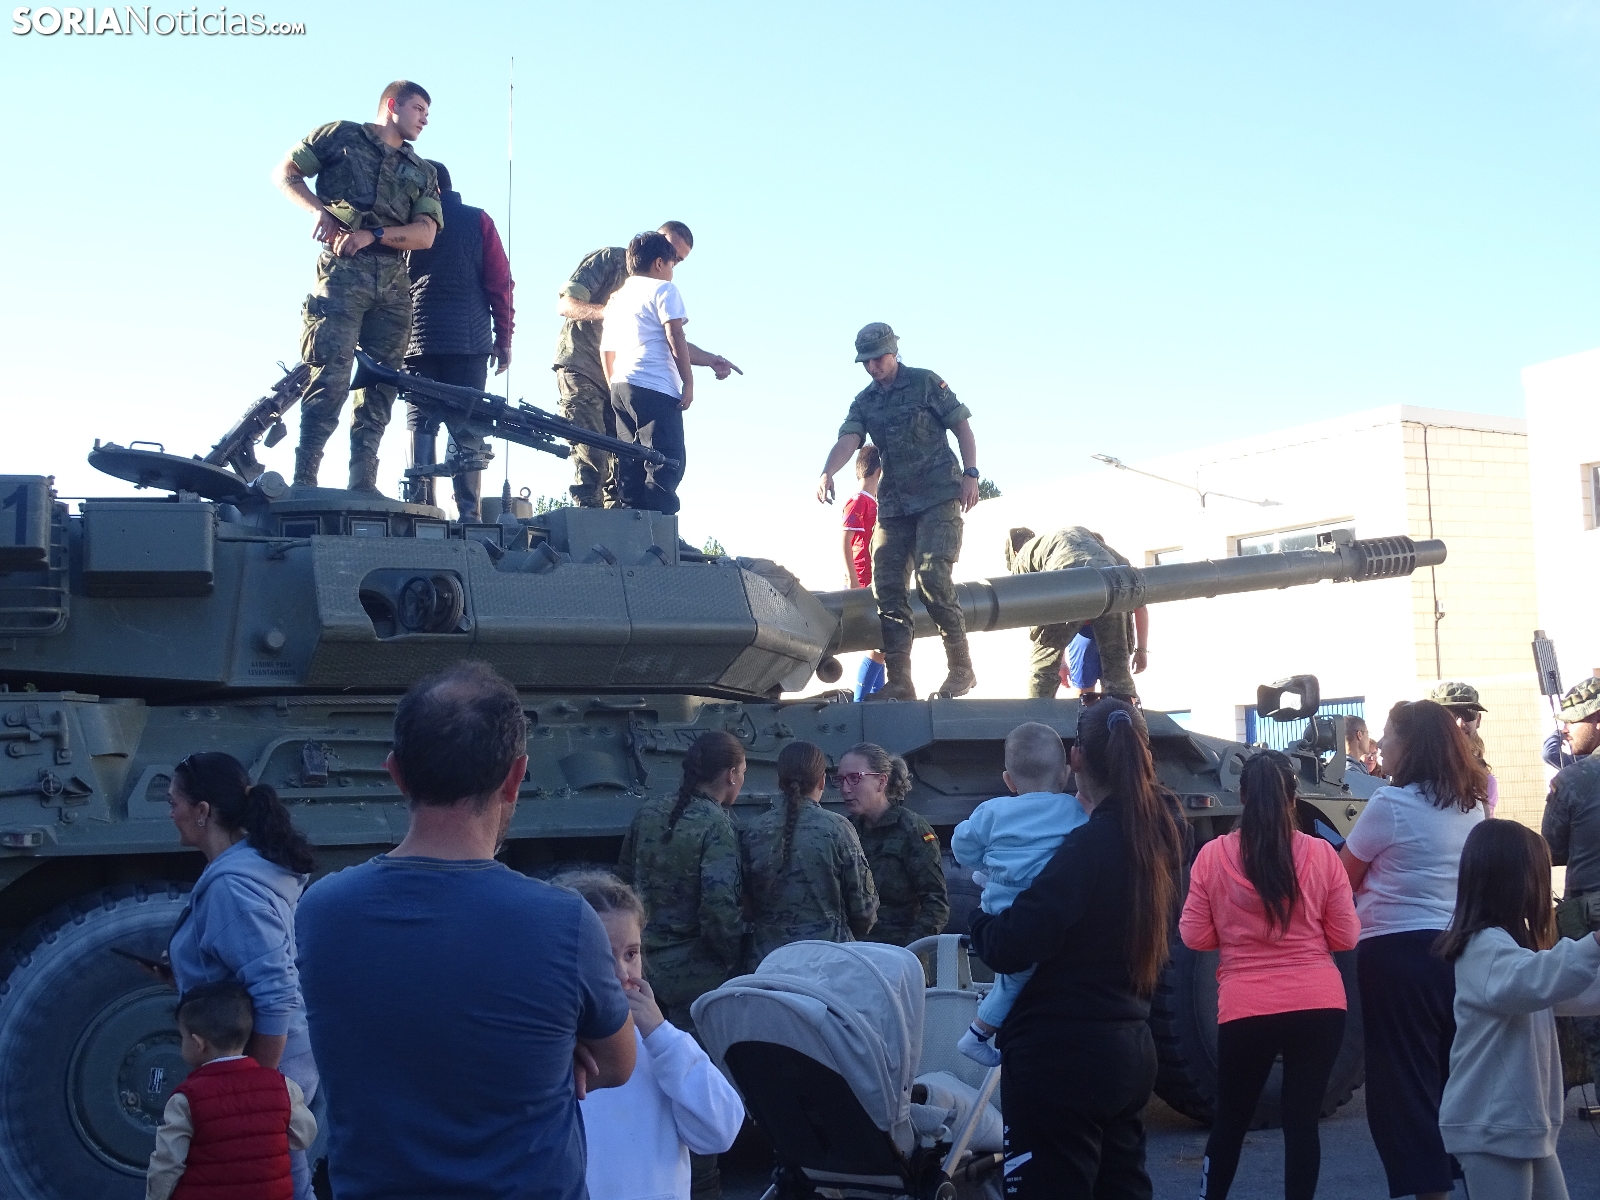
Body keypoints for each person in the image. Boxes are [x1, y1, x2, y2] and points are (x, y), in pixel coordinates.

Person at [295, 662, 635, 1200]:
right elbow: (617, 1064)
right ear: (516, 777)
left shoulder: (321, 911)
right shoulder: (564, 922)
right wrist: (552, 1050)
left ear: (396, 773)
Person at [968, 700, 1186, 1198]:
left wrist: (982, 915)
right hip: (1130, 1047)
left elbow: (1011, 945)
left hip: (1058, 1057)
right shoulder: (1161, 836)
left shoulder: (1088, 847)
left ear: (1077, 759)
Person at [1178, 750, 1361, 1200]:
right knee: (1302, 1125)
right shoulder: (1321, 855)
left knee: (1230, 1123)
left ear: (1241, 796)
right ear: (1294, 798)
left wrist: (1235, 936)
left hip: (1245, 1006)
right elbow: (1346, 937)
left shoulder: (1212, 857)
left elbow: (1194, 936)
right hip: (1319, 1004)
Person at [1339, 699, 1486, 1200]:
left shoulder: (1390, 804)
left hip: (1395, 955)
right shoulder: (1473, 807)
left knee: (1404, 1084)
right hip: (1456, 952)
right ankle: (1464, 1177)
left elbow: (1343, 875)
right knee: (1449, 1075)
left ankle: (1429, 1191)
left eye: (1389, 734)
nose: (1381, 744)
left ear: (1412, 744)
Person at [274, 80, 443, 492]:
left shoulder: (423, 170)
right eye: (418, 109)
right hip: (342, 274)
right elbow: (286, 173)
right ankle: (305, 480)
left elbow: (425, 234)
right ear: (392, 105)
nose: (424, 119)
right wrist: (319, 211)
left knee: (380, 386)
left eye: (427, 113)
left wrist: (375, 234)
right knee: (328, 375)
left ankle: (363, 482)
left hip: (393, 284)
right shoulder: (341, 136)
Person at [163, 752, 319, 1200]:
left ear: (202, 811)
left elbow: (275, 990)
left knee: (282, 1187)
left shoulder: (231, 886)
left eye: (174, 802)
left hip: (267, 1058)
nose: (170, 813)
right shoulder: (252, 867)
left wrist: (256, 1089)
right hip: (276, 1056)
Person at [815, 323, 982, 701]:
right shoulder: (865, 401)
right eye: (866, 362)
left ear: (894, 352)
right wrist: (827, 471)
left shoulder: (925, 382)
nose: (872, 367)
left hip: (938, 495)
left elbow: (962, 426)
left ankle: (961, 668)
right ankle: (900, 681)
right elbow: (849, 439)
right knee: (887, 587)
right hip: (895, 506)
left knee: (932, 577)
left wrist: (971, 473)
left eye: (878, 358)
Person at [1436, 820, 1600, 1200]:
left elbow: (1566, 992)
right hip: (1493, 1125)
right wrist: (1594, 942)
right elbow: (1536, 981)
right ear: (1516, 882)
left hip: (1517, 1125)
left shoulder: (1507, 947)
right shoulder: (1484, 947)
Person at [557, 872, 745, 1200]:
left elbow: (720, 1132)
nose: (622, 973)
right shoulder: (546, 1047)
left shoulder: (660, 1045)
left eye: (631, 954)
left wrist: (662, 1037)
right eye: (603, 957)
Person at [553, 222, 739, 507]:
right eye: (671, 254)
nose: (673, 261)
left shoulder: (649, 288)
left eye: (679, 259)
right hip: (585, 370)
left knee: (625, 465)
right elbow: (565, 304)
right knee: (594, 457)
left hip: (620, 381)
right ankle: (595, 522)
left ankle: (630, 526)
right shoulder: (613, 262)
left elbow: (667, 340)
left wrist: (711, 360)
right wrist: (607, 312)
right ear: (657, 253)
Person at [951, 721, 1088, 1068]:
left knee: (1008, 975)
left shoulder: (991, 812)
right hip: (1039, 906)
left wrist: (987, 862)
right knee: (1016, 979)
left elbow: (961, 847)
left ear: (1008, 780)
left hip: (997, 903)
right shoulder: (1074, 811)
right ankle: (976, 1035)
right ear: (1065, 775)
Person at [402, 159, 514, 520]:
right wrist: (504, 338)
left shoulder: (405, 221)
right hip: (470, 340)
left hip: (417, 338)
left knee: (420, 421)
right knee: (466, 422)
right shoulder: (478, 220)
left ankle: (421, 511)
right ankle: (469, 514)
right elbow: (500, 283)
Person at [617, 730, 747, 1033]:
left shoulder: (648, 812)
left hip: (642, 969)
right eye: (742, 772)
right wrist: (731, 959)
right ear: (731, 775)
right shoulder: (718, 825)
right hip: (693, 976)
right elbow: (718, 907)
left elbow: (623, 883)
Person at [600, 232, 737, 514]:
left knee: (630, 462)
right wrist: (688, 382)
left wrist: (614, 386)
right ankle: (661, 529)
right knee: (664, 461)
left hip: (621, 386)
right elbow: (674, 335)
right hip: (655, 388)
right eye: (673, 264)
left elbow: (607, 349)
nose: (673, 272)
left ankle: (634, 524)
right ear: (659, 263)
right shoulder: (664, 290)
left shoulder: (617, 298)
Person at [146, 981, 319, 1200]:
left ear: (198, 1044)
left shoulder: (186, 1098)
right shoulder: (282, 1085)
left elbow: (168, 1162)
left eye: (183, 1037)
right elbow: (304, 1136)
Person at [741, 740, 879, 965]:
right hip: (828, 962)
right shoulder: (838, 829)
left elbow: (745, 906)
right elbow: (864, 911)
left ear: (779, 781)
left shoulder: (753, 830)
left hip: (769, 962)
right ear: (822, 781)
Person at [1542, 676, 1600, 1090]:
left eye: (1571, 721)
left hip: (1589, 923)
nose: (1564, 729)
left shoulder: (1575, 780)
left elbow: (1551, 850)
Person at [1005, 526, 1140, 701]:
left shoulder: (1022, 556)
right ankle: (1126, 714)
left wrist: (1052, 655)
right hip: (1111, 579)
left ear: (1014, 552)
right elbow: (1126, 567)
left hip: (1067, 582)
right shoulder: (1077, 533)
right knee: (1117, 672)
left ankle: (1038, 712)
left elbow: (1031, 611)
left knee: (1043, 671)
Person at [839, 742, 949, 946]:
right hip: (854, 953)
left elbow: (936, 905)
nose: (845, 789)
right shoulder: (846, 830)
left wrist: (908, 952)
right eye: (841, 779)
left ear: (881, 782)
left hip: (897, 953)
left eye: (855, 778)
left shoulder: (912, 829)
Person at [842, 445, 886, 700]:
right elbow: (845, 540)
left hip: (874, 580)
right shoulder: (859, 500)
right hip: (863, 581)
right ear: (879, 472)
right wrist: (853, 579)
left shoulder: (872, 502)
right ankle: (859, 702)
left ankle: (878, 698)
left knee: (880, 646)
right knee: (879, 645)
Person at [1428, 681, 1498, 817]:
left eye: (1468, 713)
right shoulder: (1415, 769)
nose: (1460, 723)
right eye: (1450, 715)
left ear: (1478, 720)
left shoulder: (1485, 782)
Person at [1059, 605, 1149, 696]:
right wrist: (1141, 650)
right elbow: (1141, 606)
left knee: (1111, 693)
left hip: (1112, 634)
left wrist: (1142, 650)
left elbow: (1140, 606)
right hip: (1094, 634)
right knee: (1090, 695)